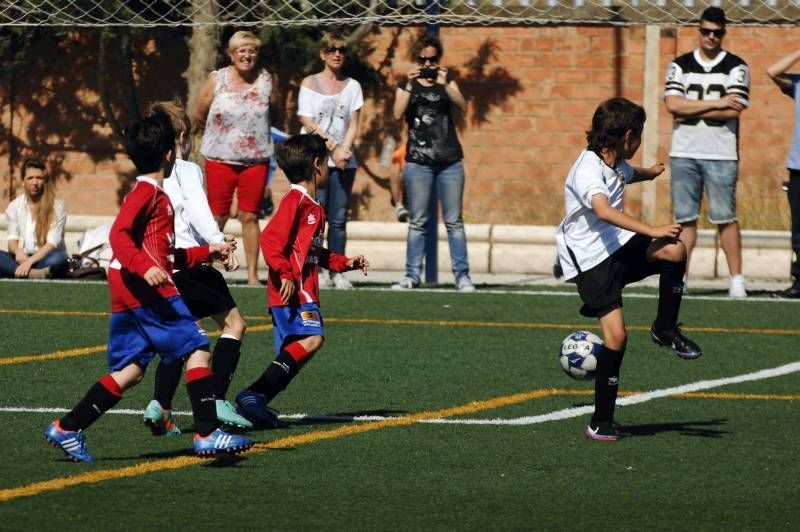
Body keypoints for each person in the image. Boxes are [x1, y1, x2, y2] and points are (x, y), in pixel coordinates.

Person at [43, 112, 252, 462]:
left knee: (132, 370)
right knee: (198, 347)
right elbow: (118, 235)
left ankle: (68, 427)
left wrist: (207, 252)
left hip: (127, 289)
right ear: (170, 153)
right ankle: (206, 433)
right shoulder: (148, 194)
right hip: (142, 290)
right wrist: (146, 269)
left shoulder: (153, 196)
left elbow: (166, 254)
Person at [555, 98, 702, 442]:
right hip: (591, 261)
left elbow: (626, 174)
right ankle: (600, 421)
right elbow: (603, 209)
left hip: (616, 244)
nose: (639, 142)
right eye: (640, 135)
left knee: (674, 250)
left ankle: (665, 328)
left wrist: (649, 173)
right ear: (627, 135)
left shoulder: (614, 159)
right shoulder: (586, 170)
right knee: (617, 337)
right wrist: (650, 230)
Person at [234, 134, 369, 428]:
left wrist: (344, 263)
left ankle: (255, 400)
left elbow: (312, 251)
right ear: (317, 164)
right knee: (312, 339)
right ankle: (253, 395)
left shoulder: (312, 204)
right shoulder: (296, 200)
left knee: (297, 352)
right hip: (293, 291)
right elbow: (271, 240)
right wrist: (285, 273)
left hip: (301, 290)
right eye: (327, 163)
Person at [140, 100, 252, 435]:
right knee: (234, 325)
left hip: (161, 267)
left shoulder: (147, 175)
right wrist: (219, 243)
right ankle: (215, 398)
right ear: (184, 136)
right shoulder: (187, 170)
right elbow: (199, 210)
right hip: (192, 263)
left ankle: (160, 404)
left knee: (181, 336)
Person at [664, 6, 750, 297]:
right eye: (706, 31)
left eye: (717, 32)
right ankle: (681, 278)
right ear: (698, 31)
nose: (711, 37)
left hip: (722, 153)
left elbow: (735, 109)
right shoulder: (680, 64)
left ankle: (737, 280)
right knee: (685, 218)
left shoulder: (737, 66)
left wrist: (692, 107)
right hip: (684, 152)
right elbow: (673, 105)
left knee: (725, 217)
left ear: (724, 33)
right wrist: (717, 103)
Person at [391, 33, 474, 292]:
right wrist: (407, 84)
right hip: (418, 162)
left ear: (438, 59)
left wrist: (445, 82)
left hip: (449, 161)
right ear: (416, 60)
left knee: (454, 222)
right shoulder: (407, 86)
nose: (427, 64)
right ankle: (411, 275)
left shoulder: (446, 83)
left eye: (432, 59)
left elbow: (463, 106)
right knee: (418, 221)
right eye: (422, 59)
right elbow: (397, 113)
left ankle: (462, 277)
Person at [193, 30, 277, 286]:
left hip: (256, 160)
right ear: (231, 54)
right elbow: (198, 112)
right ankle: (203, 269)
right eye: (242, 50)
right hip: (220, 158)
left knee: (250, 216)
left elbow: (275, 111)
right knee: (217, 216)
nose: (247, 55)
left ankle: (252, 275)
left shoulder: (266, 79)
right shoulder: (217, 80)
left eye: (252, 50)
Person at [297, 32, 364, 289]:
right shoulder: (309, 83)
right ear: (323, 53)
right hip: (316, 161)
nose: (337, 54)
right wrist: (333, 148)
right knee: (316, 219)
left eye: (342, 50)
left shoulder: (353, 86)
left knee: (338, 219)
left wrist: (344, 151)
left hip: (344, 162)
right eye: (332, 49)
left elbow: (354, 124)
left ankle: (339, 270)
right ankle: (316, 268)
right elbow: (307, 121)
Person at [766, 50, 800, 299]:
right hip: (798, 166)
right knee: (798, 230)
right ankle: (799, 282)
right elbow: (772, 72)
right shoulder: (798, 83)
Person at [1, 157, 69, 279]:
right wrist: (18, 252)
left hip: (46, 258)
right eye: (30, 178)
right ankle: (34, 274)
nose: (35, 182)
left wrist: (29, 262)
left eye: (39, 178)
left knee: (60, 259)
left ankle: (17, 272)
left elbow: (52, 243)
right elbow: (12, 240)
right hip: (23, 258)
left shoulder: (57, 206)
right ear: (23, 181)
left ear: (45, 180)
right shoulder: (14, 206)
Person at [390, 143, 410, 222]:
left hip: (420, 180)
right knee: (395, 176)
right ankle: (399, 207)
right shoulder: (405, 148)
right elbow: (393, 159)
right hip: (405, 179)